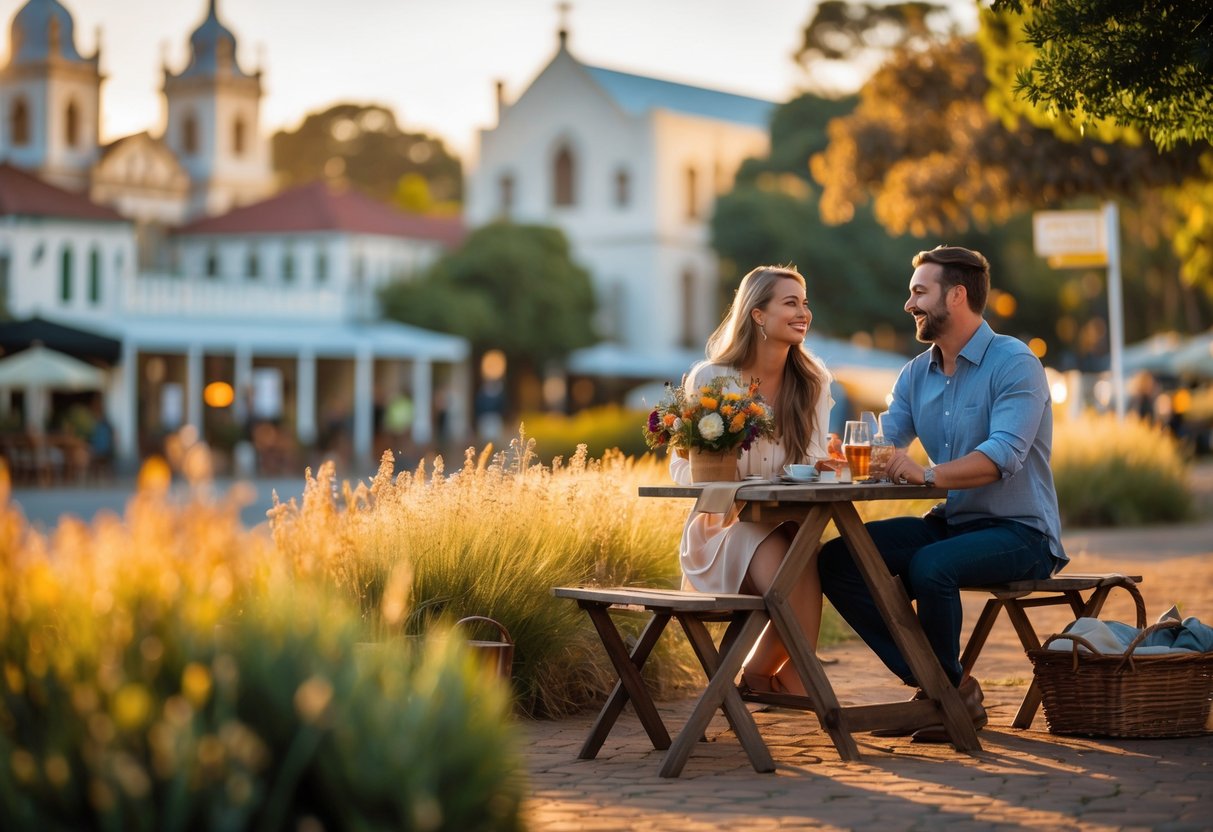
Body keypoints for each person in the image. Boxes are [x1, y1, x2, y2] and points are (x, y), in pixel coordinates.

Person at [817, 245, 1067, 742]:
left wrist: (925, 475)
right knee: (839, 560)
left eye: (918, 292)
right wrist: (847, 458)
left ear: (956, 295)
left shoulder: (1015, 363)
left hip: (1021, 532)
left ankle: (941, 700)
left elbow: (1003, 456)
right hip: (953, 522)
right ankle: (944, 688)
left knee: (933, 567)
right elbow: (888, 444)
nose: (908, 304)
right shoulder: (915, 373)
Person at [671, 265, 833, 696]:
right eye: (791, 302)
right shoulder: (713, 379)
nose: (804, 312)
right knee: (793, 558)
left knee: (804, 551)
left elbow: (817, 459)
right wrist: (724, 477)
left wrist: (824, 467)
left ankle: (765, 675)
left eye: (805, 302)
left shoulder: (813, 381)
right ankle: (786, 674)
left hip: (788, 523)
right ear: (758, 314)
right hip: (720, 532)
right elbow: (682, 467)